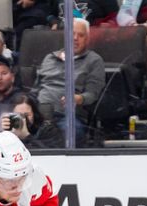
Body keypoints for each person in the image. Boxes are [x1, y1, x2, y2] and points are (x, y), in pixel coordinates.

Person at [34, 15, 104, 145]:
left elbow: (93, 94)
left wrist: (78, 98)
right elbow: (35, 89)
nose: (75, 38)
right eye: (72, 34)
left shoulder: (94, 60)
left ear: (87, 39)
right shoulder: (49, 58)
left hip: (68, 117)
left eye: (81, 35)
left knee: (69, 131)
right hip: (38, 114)